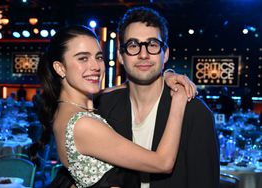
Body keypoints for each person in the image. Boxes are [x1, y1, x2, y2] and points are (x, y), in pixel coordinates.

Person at [50, 6, 219, 188]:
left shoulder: (195, 113)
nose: (143, 54)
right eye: (133, 46)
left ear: (166, 54)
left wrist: (168, 76)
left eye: (153, 45)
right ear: (121, 56)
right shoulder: (104, 106)